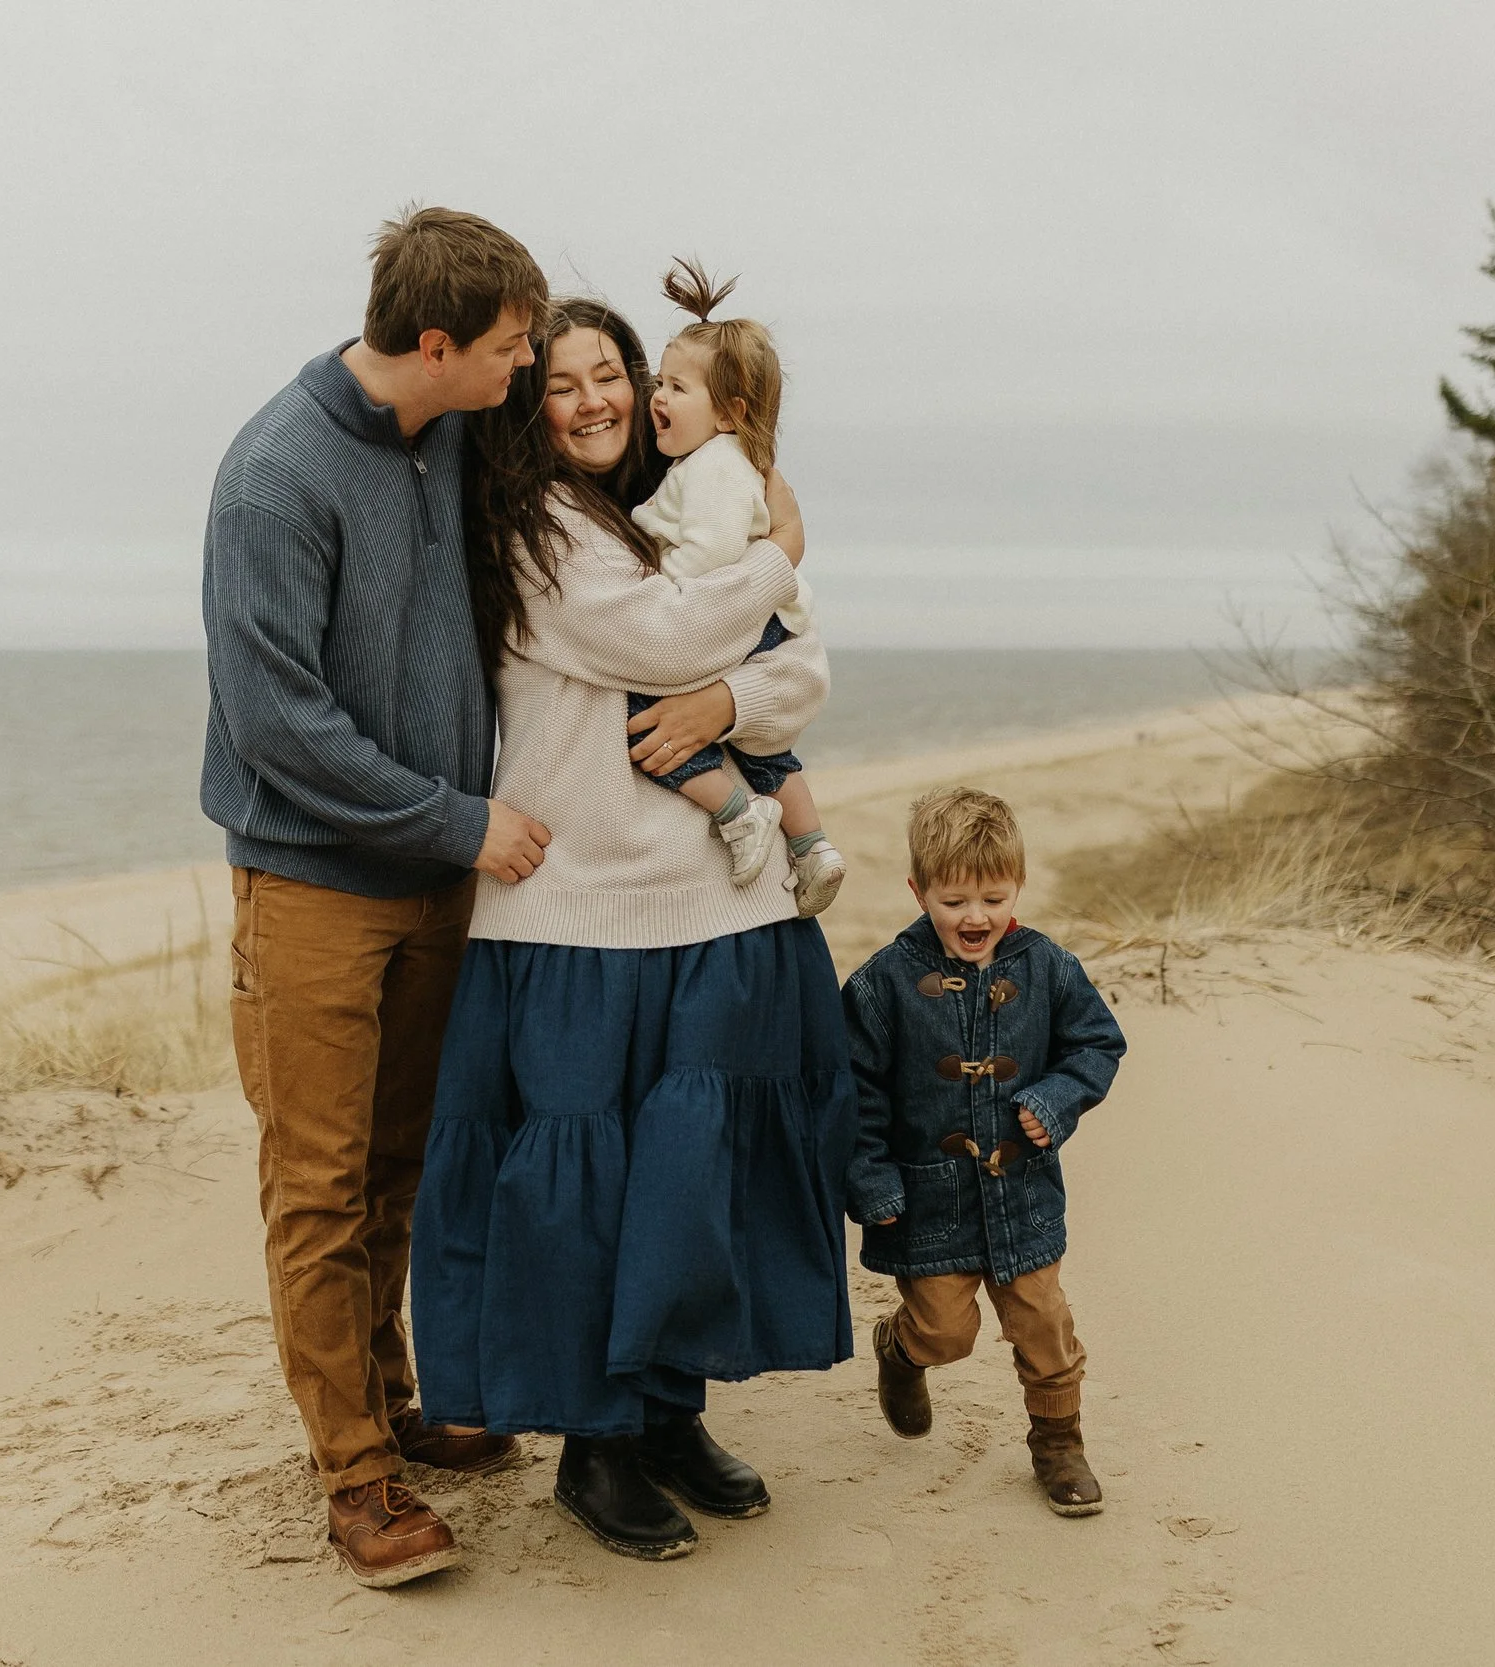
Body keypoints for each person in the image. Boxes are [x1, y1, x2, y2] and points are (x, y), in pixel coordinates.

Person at [410, 297, 855, 1562]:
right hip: (575, 908)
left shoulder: (680, 512)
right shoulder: (533, 525)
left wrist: (724, 686)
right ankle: (593, 1448)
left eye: (616, 375)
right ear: (527, 404)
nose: (599, 399)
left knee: (688, 1183)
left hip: (717, 903)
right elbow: (648, 633)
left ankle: (667, 1412)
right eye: (565, 382)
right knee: (584, 1194)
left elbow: (799, 673)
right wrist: (777, 556)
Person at [201, 207, 559, 1590]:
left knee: (400, 1166)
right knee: (317, 1184)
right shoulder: (273, 479)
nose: (524, 368)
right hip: (313, 889)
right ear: (434, 344)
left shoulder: (450, 433)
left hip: (437, 887)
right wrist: (461, 820)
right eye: (512, 348)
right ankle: (354, 1474)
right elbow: (275, 720)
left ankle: (392, 1398)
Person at [842, 787, 1128, 1516]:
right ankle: (900, 1351)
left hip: (1023, 1192)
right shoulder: (883, 984)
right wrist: (870, 1181)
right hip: (929, 1200)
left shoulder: (1047, 967)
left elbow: (1098, 1042)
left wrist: (1054, 1100)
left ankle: (1059, 1442)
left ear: (1017, 888)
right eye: (955, 899)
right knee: (946, 1332)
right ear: (919, 891)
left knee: (1044, 1322)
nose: (976, 917)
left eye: (994, 897)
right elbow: (855, 1094)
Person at [622, 259, 847, 915]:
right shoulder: (715, 460)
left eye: (678, 387)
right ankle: (811, 844)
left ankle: (736, 809)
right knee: (767, 745)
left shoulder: (716, 467)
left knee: (644, 719)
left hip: (738, 618)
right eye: (659, 382)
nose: (657, 397)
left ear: (729, 413)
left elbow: (712, 553)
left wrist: (662, 588)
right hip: (763, 620)